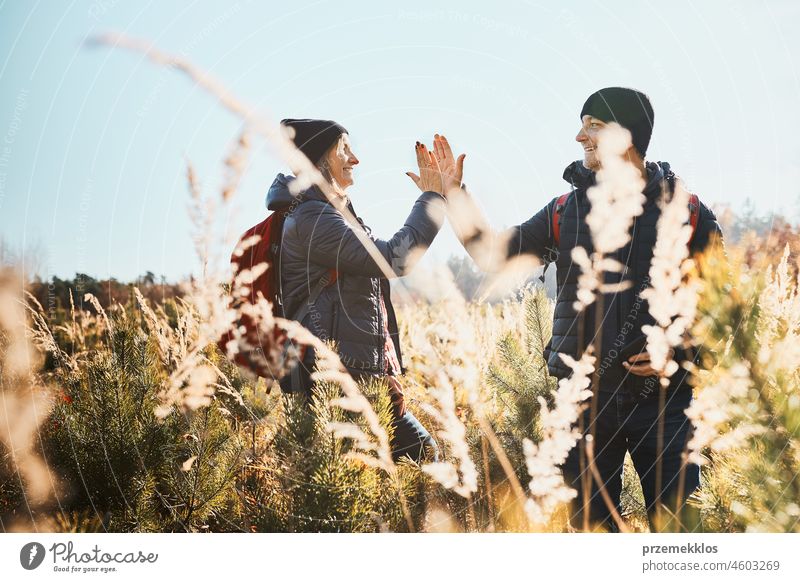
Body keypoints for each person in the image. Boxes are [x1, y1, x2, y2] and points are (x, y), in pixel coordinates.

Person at [435, 87, 723, 530]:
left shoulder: (688, 211)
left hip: (665, 406)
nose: (579, 136)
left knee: (681, 536)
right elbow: (492, 253)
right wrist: (454, 195)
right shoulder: (564, 211)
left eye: (594, 125)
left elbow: (725, 308)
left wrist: (681, 347)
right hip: (584, 403)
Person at [267, 118, 454, 462]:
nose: (355, 159)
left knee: (419, 458)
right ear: (319, 160)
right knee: (390, 468)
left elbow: (367, 307)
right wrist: (432, 199)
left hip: (356, 373)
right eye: (345, 150)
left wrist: (387, 374)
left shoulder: (328, 214)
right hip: (329, 380)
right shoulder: (312, 219)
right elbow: (393, 259)